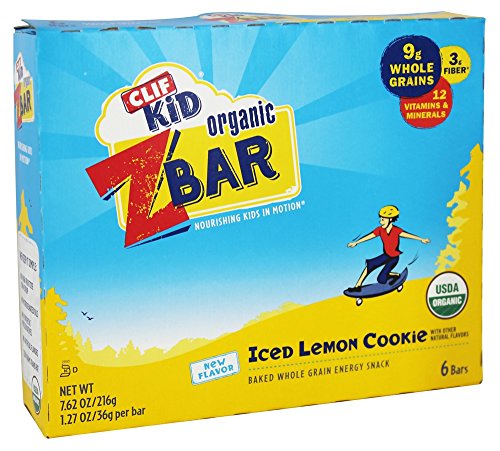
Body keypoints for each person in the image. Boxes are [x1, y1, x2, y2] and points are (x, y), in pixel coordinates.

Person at [347, 205, 430, 293]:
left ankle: (396, 275)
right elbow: (369, 236)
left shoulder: (396, 230)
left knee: (381, 279)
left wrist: (421, 239)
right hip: (386, 255)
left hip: (394, 258)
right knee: (370, 265)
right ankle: (357, 286)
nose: (380, 222)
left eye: (383, 219)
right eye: (380, 219)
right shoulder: (380, 230)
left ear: (390, 219)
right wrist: (356, 242)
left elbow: (408, 235)